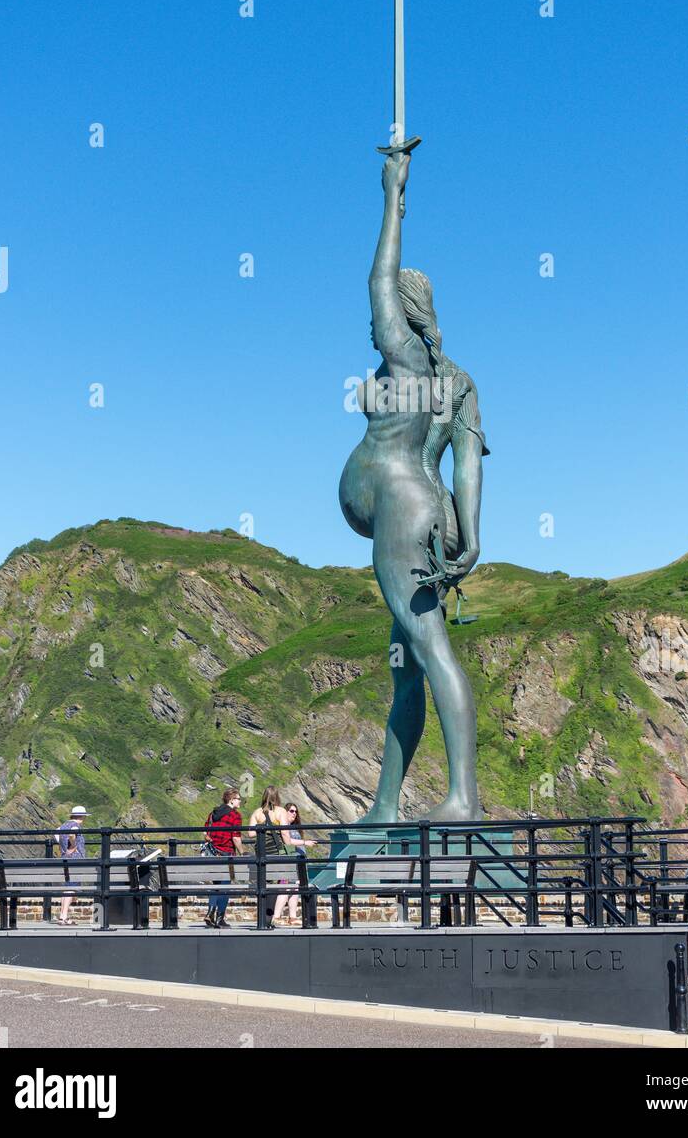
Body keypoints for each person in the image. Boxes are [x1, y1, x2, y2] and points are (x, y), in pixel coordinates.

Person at [339, 151, 486, 822]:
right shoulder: (457, 381)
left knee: (430, 648)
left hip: (402, 509)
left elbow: (377, 276)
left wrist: (391, 197)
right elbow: (469, 462)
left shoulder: (406, 356)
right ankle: (386, 806)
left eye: (386, 315)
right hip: (430, 510)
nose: (376, 326)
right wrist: (471, 535)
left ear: (404, 313)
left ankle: (462, 799)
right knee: (407, 664)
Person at [249, 787, 294, 927]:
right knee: (274, 886)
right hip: (275, 852)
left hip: (261, 853)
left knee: (263, 885)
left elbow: (250, 833)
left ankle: (262, 918)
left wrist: (263, 829)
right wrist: (290, 852)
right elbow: (286, 835)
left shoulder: (257, 812)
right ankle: (269, 918)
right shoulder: (280, 811)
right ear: (277, 797)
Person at [203, 788, 243, 929]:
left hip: (213, 854)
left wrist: (213, 840)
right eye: (238, 798)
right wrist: (243, 853)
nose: (240, 801)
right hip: (228, 855)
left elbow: (205, 833)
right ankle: (220, 918)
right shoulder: (235, 816)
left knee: (216, 885)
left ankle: (210, 913)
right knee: (225, 886)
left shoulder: (213, 813)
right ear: (231, 800)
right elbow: (236, 837)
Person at [54, 805, 89, 926]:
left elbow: (56, 835)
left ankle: (62, 916)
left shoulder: (62, 825)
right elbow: (71, 834)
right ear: (82, 816)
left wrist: (63, 849)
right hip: (75, 860)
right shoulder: (75, 825)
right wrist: (73, 846)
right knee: (71, 888)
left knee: (67, 887)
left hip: (65, 859)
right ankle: (63, 917)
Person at [285, 803, 317, 927]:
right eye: (291, 811)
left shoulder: (294, 828)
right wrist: (305, 842)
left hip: (299, 861)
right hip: (292, 861)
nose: (294, 813)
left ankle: (292, 917)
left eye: (295, 811)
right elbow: (288, 841)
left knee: (295, 888)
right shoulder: (284, 828)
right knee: (290, 888)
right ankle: (281, 916)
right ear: (285, 812)